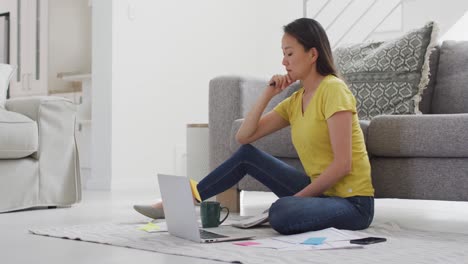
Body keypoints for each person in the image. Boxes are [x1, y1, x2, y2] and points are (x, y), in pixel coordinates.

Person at [134, 17, 375, 235]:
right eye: (283, 53)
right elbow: (244, 137)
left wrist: (297, 200)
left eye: (289, 53)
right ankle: (182, 201)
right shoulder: (295, 101)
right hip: (321, 195)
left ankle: (289, 208)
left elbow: (343, 165)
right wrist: (268, 94)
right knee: (247, 156)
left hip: (352, 204)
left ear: (313, 55)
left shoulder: (333, 89)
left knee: (281, 212)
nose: (284, 61)